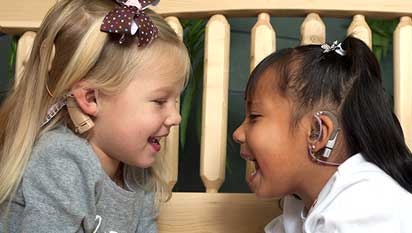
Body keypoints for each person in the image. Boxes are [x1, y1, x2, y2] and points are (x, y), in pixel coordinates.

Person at [0, 0, 190, 232]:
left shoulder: (135, 169)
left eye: (176, 100)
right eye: (160, 102)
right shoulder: (62, 159)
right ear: (90, 98)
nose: (175, 117)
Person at [232, 36, 412, 233]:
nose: (238, 134)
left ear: (317, 133)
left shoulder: (362, 206)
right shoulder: (300, 208)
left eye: (255, 116)